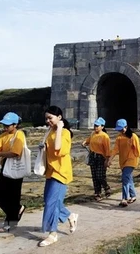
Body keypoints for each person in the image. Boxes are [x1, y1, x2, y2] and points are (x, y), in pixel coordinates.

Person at [39, 106, 78, 247]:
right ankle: (70, 216)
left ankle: (52, 233)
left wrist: (60, 128)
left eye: (50, 118)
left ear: (59, 117)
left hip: (61, 172)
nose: (48, 121)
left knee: (52, 202)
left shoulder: (65, 133)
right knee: (50, 200)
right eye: (46, 118)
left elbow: (57, 148)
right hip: (51, 171)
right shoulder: (50, 132)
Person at [108, 119, 140, 207]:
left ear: (126, 127)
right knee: (129, 179)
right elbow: (115, 150)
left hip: (132, 160)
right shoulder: (119, 138)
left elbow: (139, 149)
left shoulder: (133, 136)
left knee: (125, 178)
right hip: (123, 161)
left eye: (122, 129)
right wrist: (110, 159)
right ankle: (133, 196)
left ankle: (124, 198)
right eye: (119, 129)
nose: (121, 131)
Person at [82, 117, 111, 201]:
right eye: (95, 125)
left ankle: (106, 187)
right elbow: (88, 140)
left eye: (97, 126)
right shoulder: (93, 134)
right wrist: (85, 143)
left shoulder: (105, 136)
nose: (96, 127)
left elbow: (107, 150)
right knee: (94, 176)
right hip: (92, 156)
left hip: (101, 157)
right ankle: (97, 193)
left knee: (100, 176)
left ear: (102, 127)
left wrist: (107, 159)